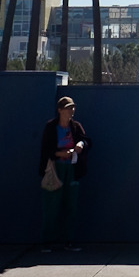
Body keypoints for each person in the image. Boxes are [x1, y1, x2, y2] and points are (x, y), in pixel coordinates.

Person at [38, 95, 92, 251]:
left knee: (71, 205)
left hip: (72, 170)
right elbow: (46, 149)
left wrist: (81, 144)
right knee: (51, 205)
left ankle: (68, 240)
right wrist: (61, 154)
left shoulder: (75, 126)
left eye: (73, 108)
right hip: (54, 170)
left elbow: (86, 140)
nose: (71, 111)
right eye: (68, 108)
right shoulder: (51, 127)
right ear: (60, 110)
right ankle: (47, 241)